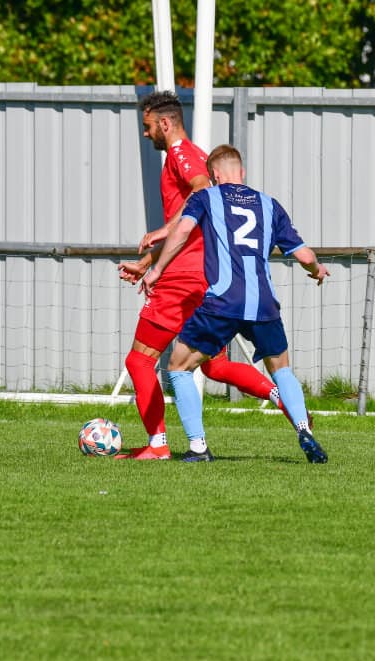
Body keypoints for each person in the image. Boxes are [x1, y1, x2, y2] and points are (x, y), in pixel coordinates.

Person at [117, 91, 301, 461]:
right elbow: (194, 227)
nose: (146, 133)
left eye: (148, 126)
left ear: (165, 123)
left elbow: (200, 193)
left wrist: (163, 233)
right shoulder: (196, 155)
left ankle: (158, 445)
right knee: (214, 366)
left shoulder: (182, 154)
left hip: (181, 281)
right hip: (204, 279)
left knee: (139, 361)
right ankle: (282, 398)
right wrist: (149, 260)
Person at [140, 144, 329, 464]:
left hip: (223, 301)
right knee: (281, 369)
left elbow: (182, 231)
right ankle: (303, 429)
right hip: (264, 304)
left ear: (214, 175)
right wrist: (316, 270)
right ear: (241, 172)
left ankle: (198, 447)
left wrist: (156, 269)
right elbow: (304, 255)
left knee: (179, 368)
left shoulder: (205, 197)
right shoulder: (269, 204)